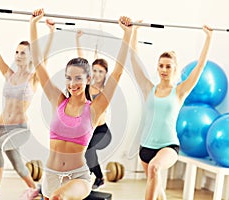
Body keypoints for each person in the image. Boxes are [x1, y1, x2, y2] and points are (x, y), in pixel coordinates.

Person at [30, 8, 132, 200]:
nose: (72, 83)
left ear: (88, 79)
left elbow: (118, 72)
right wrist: (33, 25)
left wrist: (127, 34)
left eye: (78, 78)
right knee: (54, 196)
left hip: (78, 177)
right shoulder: (58, 100)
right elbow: (37, 63)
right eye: (68, 78)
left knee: (58, 198)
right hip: (50, 176)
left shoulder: (95, 108)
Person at [130, 21, 213, 200]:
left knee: (155, 168)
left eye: (168, 66)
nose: (164, 70)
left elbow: (199, 67)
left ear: (174, 68)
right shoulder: (148, 89)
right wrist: (133, 32)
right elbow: (134, 60)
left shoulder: (179, 91)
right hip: (145, 146)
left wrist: (208, 38)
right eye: (161, 66)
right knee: (157, 186)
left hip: (168, 146)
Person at [0, 14, 55, 200]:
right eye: (17, 52)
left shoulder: (34, 78)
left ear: (30, 56)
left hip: (20, 129)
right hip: (2, 126)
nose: (19, 55)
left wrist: (51, 32)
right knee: (17, 163)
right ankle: (35, 189)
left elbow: (43, 57)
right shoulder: (9, 74)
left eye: (23, 52)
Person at [76, 31, 112, 189]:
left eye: (101, 72)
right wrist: (78, 40)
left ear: (105, 74)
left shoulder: (106, 90)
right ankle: (86, 176)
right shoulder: (87, 86)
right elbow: (82, 62)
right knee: (80, 151)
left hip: (102, 132)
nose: (97, 74)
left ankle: (100, 178)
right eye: (95, 71)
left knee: (89, 150)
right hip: (87, 130)